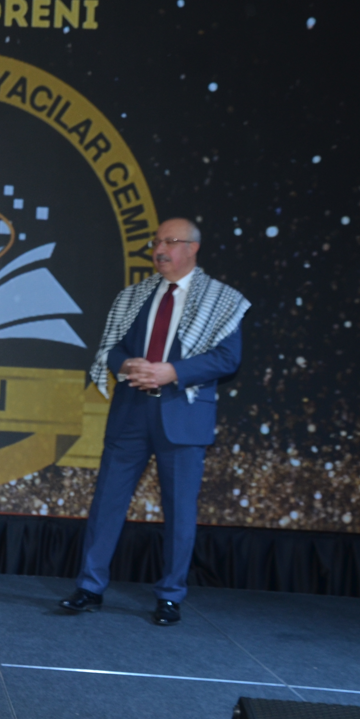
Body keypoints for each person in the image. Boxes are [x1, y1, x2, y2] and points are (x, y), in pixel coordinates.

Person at [60, 218, 249, 625]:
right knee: (106, 503)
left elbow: (227, 359)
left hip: (182, 416)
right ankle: (89, 587)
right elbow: (112, 350)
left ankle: (170, 596)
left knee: (179, 511)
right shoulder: (135, 296)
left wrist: (172, 372)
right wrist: (126, 364)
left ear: (193, 248)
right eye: (156, 242)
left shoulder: (222, 300)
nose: (159, 250)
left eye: (170, 242)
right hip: (131, 413)